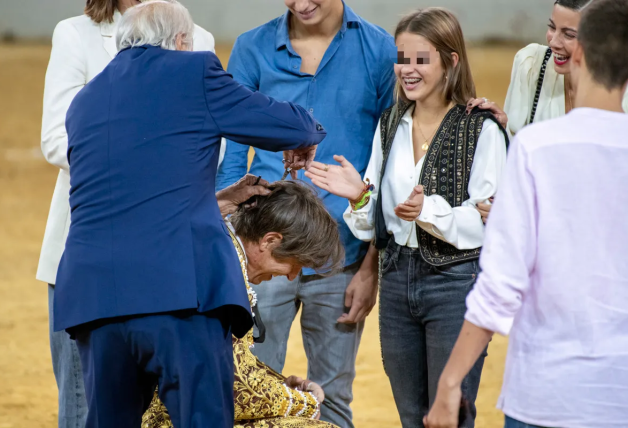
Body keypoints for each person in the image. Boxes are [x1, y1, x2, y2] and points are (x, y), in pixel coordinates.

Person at [53, 2, 325, 427]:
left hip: (95, 297)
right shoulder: (192, 72)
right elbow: (290, 125)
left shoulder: (85, 101)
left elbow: (139, 190)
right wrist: (305, 135)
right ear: (182, 41)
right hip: (176, 292)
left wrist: (213, 197)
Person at [425, 0, 628, 427]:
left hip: (545, 390)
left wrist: (449, 383)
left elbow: (500, 285)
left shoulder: (536, 148)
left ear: (583, 53)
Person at [305, 8, 509, 427]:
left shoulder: (483, 129)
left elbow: (493, 223)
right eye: (402, 59)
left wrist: (427, 211)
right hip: (397, 282)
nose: (407, 70)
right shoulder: (391, 122)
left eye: (421, 60)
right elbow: (375, 221)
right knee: (412, 417)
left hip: (456, 285)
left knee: (449, 415)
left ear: (451, 61)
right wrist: (360, 196)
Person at [216, 1, 395, 425]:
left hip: (343, 260)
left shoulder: (382, 49)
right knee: (238, 395)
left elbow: (392, 159)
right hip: (262, 257)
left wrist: (371, 267)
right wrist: (225, 261)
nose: (301, 3)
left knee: (332, 401)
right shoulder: (249, 47)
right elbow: (229, 162)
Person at [37, 1, 214, 426]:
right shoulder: (75, 34)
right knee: (86, 410)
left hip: (168, 261)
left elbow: (211, 139)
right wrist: (149, 163)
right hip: (91, 253)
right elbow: (56, 138)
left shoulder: (200, 38)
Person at [143, 180, 345, 428]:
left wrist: (278, 386)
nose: (292, 276)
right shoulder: (222, 268)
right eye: (295, 263)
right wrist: (305, 402)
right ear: (269, 241)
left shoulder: (219, 250)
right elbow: (230, 387)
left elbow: (230, 368)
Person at [469, 0, 628, 223]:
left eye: (569, 34)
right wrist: (500, 131)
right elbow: (516, 166)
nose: (553, 41)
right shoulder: (531, 64)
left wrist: (520, 213)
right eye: (552, 27)